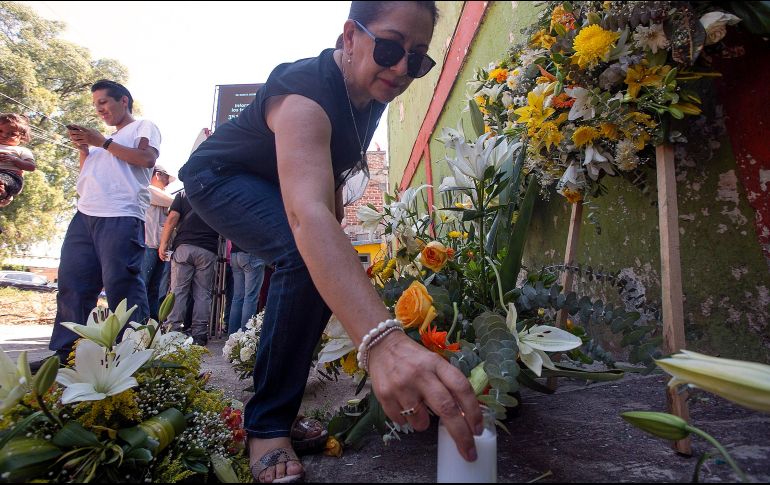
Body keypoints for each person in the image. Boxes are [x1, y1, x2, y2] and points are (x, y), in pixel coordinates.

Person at [177, 2, 482, 483]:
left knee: (322, 268)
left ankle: (280, 405)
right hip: (219, 178)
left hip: (280, 184)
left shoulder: (372, 95)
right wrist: (383, 343)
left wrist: (336, 259)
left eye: (419, 59)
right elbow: (307, 216)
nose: (402, 68)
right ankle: (267, 427)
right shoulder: (305, 92)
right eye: (389, 46)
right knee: (305, 255)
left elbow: (329, 186)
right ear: (350, 36)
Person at [48, 79, 161, 362]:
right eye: (95, 105)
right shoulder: (101, 145)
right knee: (73, 283)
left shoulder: (143, 127)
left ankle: (132, 353)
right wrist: (85, 150)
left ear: (123, 100)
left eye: (104, 102)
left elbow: (146, 159)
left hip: (121, 214)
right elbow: (87, 174)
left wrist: (103, 142)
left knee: (120, 284)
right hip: (85, 214)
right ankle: (67, 355)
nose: (99, 109)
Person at [158, 190, 219, 345]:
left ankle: (172, 331)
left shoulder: (184, 194)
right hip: (208, 249)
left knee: (177, 292)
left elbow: (172, 218)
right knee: (203, 293)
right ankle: (199, 334)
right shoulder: (216, 195)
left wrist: (163, 243)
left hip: (184, 247)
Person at [141, 164, 175, 320]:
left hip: (159, 246)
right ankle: (140, 319)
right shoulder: (148, 190)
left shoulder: (159, 195)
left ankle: (152, 321)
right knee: (144, 284)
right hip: (149, 245)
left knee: (155, 287)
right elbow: (172, 202)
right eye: (166, 177)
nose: (168, 181)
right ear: (158, 175)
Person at [228, 242, 266, 334]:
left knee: (237, 298)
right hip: (252, 252)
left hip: (235, 253)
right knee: (250, 297)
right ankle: (245, 337)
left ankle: (232, 337)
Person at [0, 113, 36, 207]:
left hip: (11, 176)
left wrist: (15, 160)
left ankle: (3, 191)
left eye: (12, 134)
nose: (4, 135)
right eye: (0, 131)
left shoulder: (22, 150)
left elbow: (31, 167)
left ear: (21, 137)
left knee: (4, 178)